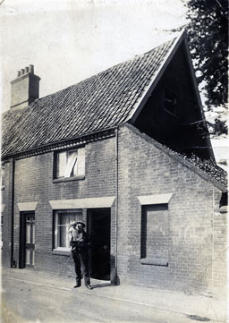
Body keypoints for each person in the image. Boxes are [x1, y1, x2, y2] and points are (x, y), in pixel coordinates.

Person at [68, 221, 93, 290]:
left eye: (80, 226)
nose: (79, 227)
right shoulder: (73, 234)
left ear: (82, 227)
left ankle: (87, 284)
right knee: (77, 267)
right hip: (75, 252)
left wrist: (82, 244)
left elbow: (89, 244)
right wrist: (74, 245)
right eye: (77, 226)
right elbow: (71, 243)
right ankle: (78, 283)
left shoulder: (86, 235)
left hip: (83, 253)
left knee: (85, 268)